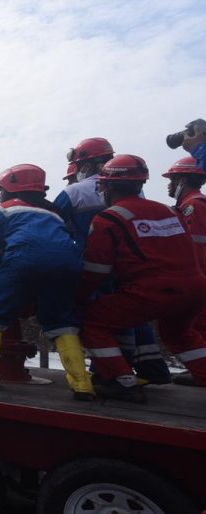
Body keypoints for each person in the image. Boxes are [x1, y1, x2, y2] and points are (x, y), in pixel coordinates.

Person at [79, 154, 206, 402]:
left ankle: (121, 381)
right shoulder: (170, 211)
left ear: (109, 186)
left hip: (152, 291)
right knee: (179, 334)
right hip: (196, 289)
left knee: (92, 321)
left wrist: (78, 296)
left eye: (102, 185)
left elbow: (96, 270)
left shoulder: (108, 218)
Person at [55, 138, 170, 384]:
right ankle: (148, 367)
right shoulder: (135, 191)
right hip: (130, 266)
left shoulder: (74, 192)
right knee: (127, 317)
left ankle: (110, 373)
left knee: (93, 318)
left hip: (91, 264)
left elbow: (50, 224)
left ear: (85, 164)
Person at [0, 164, 94, 400]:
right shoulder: (53, 214)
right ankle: (82, 383)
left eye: (1, 190)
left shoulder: (0, 211)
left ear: (12, 188)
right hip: (67, 266)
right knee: (62, 321)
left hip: (22, 260)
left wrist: (4, 277)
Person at [162, 156, 206, 386]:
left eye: (172, 180)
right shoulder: (192, 205)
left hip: (198, 279)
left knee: (192, 328)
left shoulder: (194, 206)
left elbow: (196, 247)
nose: (169, 185)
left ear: (182, 181)